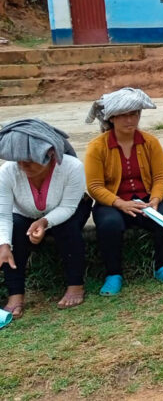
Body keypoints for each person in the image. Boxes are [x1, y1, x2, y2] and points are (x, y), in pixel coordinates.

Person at [84, 88, 163, 297]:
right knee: (110, 224)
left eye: (134, 114)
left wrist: (155, 201)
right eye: (124, 115)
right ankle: (113, 274)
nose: (130, 120)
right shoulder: (97, 147)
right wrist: (120, 203)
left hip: (146, 200)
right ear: (112, 118)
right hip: (112, 202)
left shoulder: (150, 143)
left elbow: (160, 178)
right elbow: (94, 186)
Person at [0, 119, 91, 317]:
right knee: (13, 233)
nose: (23, 165)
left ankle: (75, 284)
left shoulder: (72, 167)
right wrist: (4, 244)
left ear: (50, 154)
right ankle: (15, 294)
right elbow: (4, 213)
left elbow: (68, 207)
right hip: (24, 213)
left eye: (30, 160)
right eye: (19, 160)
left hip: (69, 209)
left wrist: (44, 222)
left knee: (67, 227)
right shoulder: (7, 172)